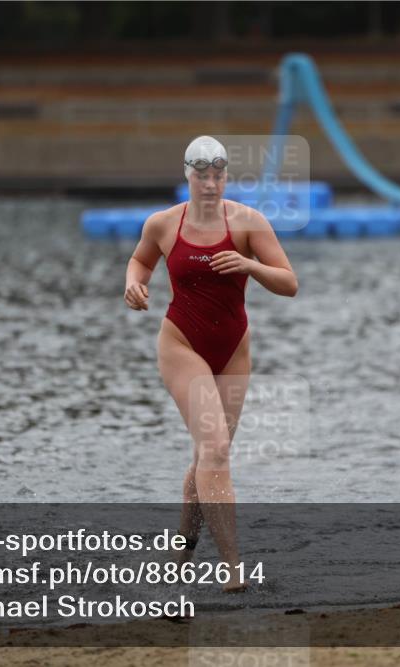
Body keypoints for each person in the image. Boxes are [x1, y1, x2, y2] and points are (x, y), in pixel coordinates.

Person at [124, 136, 298, 592]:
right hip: (182, 344)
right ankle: (232, 565)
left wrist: (249, 265)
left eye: (218, 174)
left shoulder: (248, 222)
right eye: (201, 174)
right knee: (216, 447)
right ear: (187, 175)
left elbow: (289, 283)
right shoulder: (163, 224)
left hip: (233, 348)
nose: (210, 183)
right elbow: (140, 262)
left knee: (209, 454)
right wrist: (134, 284)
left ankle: (180, 554)